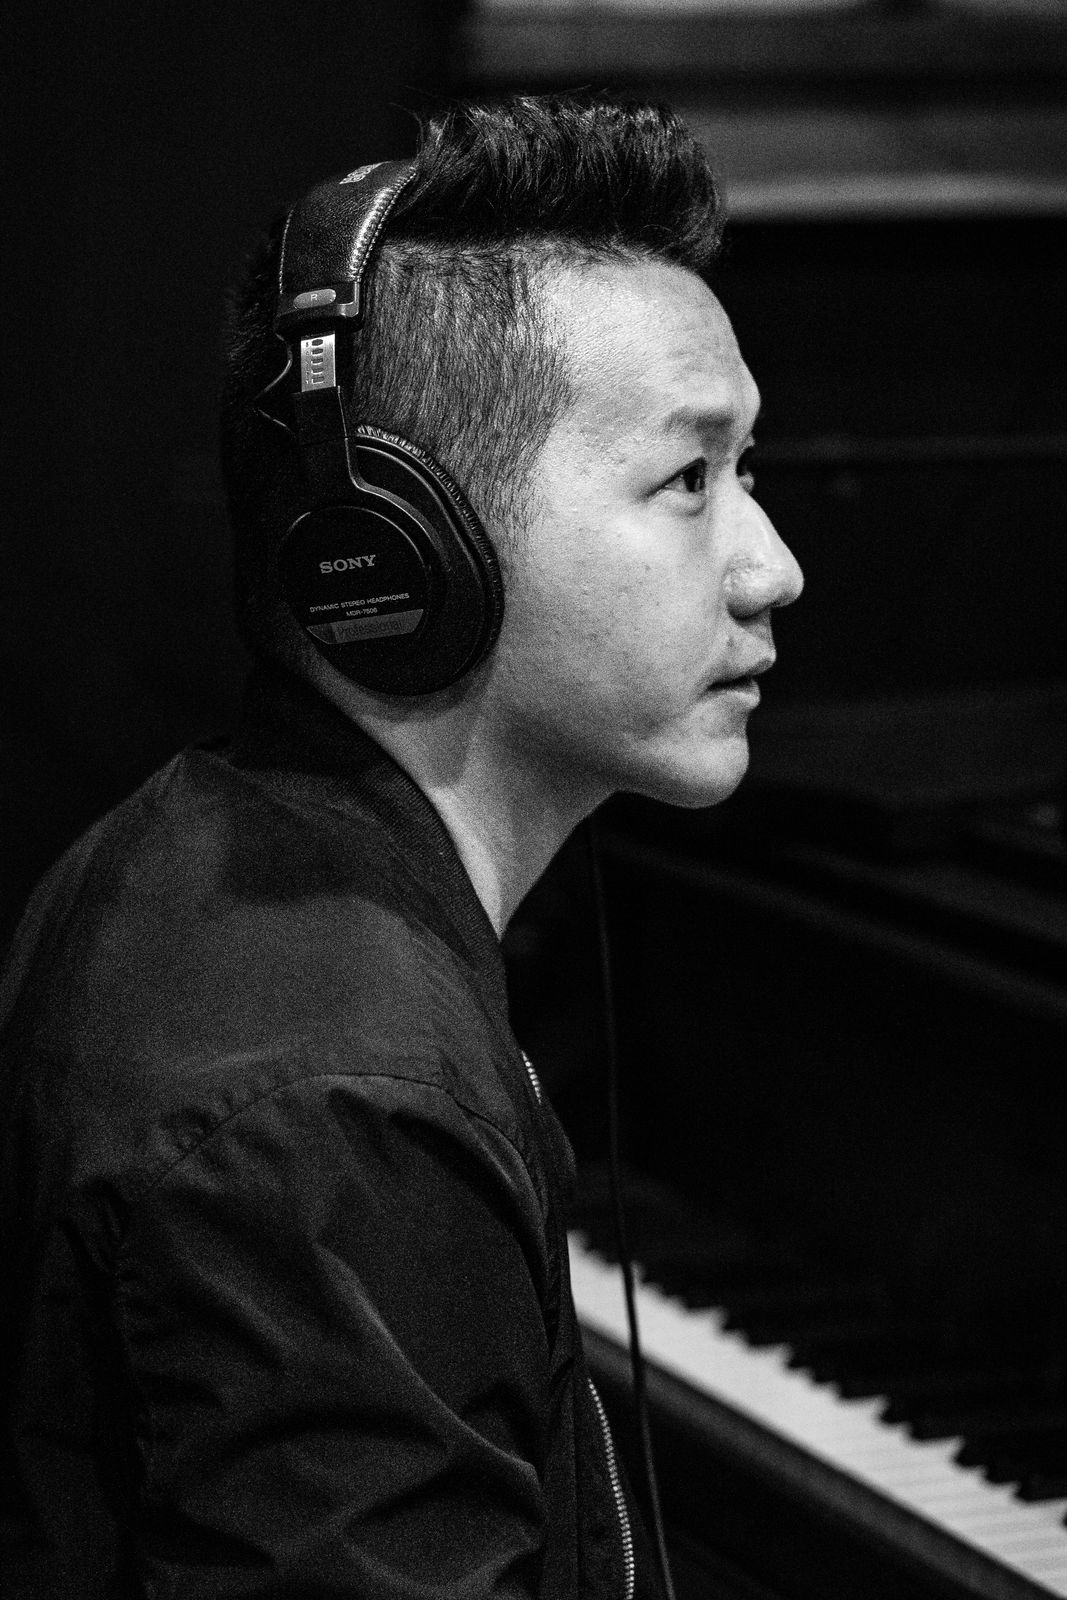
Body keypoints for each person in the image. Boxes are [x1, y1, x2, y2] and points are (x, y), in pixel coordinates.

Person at [0, 95, 803, 1597]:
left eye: (746, 471)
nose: (775, 568)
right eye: (690, 480)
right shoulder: (338, 1109)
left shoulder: (185, 848)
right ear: (399, 548)